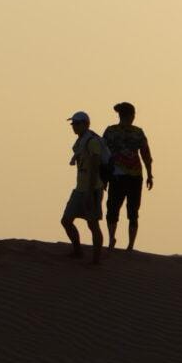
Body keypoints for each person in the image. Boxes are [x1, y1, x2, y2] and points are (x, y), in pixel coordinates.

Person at [102, 102, 154, 252]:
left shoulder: (111, 131)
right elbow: (146, 155)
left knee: (115, 209)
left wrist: (103, 177)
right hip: (131, 176)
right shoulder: (137, 132)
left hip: (121, 176)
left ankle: (113, 239)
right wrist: (149, 174)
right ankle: (128, 244)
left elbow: (103, 155)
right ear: (130, 115)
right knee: (131, 211)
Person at [61, 112, 105, 264]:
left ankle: (96, 260)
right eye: (73, 124)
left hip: (92, 189)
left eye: (77, 123)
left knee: (93, 224)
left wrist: (90, 192)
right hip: (80, 188)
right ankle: (78, 251)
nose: (74, 126)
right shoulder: (81, 142)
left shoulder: (92, 142)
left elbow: (95, 167)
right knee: (66, 220)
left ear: (86, 124)